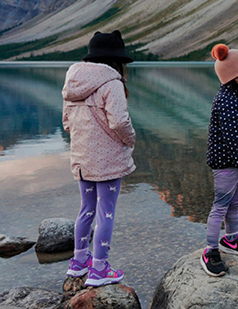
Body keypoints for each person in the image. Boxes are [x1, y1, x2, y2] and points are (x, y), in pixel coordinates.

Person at [61, 30, 137, 286]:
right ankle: (100, 269)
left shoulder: (72, 84)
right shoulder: (112, 83)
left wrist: (85, 139)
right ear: (116, 61)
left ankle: (79, 261)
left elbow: (66, 123)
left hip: (82, 160)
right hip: (108, 162)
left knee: (86, 209)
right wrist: (130, 139)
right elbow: (120, 121)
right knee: (106, 212)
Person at [201, 43, 238, 277]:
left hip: (234, 161)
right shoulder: (227, 100)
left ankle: (232, 239)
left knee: (235, 202)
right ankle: (210, 250)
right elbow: (232, 136)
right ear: (235, 76)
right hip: (226, 163)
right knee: (221, 206)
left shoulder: (235, 96)